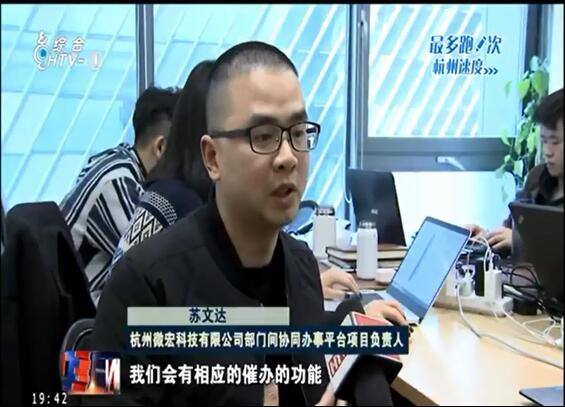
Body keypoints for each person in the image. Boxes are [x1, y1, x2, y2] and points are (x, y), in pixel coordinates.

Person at [89, 41, 405, 405]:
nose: (288, 157)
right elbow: (89, 389)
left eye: (298, 133)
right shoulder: (137, 281)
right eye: (263, 136)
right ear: (212, 158)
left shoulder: (301, 265)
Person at [60, 86, 180, 304]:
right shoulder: (117, 183)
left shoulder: (118, 159)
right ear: (161, 147)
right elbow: (152, 263)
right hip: (88, 309)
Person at [467, 88, 563, 253]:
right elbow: (510, 231)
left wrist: (520, 242)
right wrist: (485, 238)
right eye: (544, 141)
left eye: (554, 142)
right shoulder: (537, 178)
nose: (547, 151)